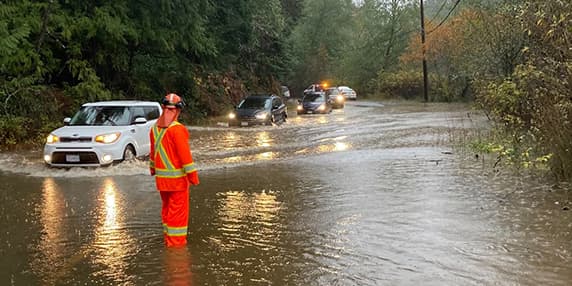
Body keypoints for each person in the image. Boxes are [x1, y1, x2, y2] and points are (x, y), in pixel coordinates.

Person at [149, 93, 199, 247]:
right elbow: (185, 157)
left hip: (162, 181)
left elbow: (153, 154)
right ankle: (176, 247)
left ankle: (168, 239)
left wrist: (153, 170)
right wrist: (193, 177)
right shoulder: (178, 130)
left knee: (167, 210)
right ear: (178, 110)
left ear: (163, 108)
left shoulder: (154, 129)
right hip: (177, 182)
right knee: (177, 213)